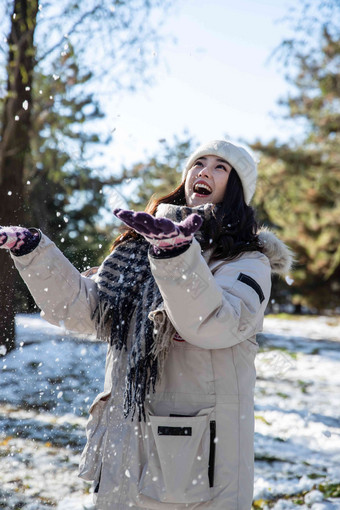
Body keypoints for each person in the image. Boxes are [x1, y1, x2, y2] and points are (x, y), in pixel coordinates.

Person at [0, 140, 292, 509]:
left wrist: (175, 256)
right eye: (198, 163)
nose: (203, 171)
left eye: (220, 167)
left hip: (195, 462)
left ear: (236, 189)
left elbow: (213, 325)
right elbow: (87, 311)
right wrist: (35, 252)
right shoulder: (142, 248)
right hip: (125, 440)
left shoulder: (247, 262)